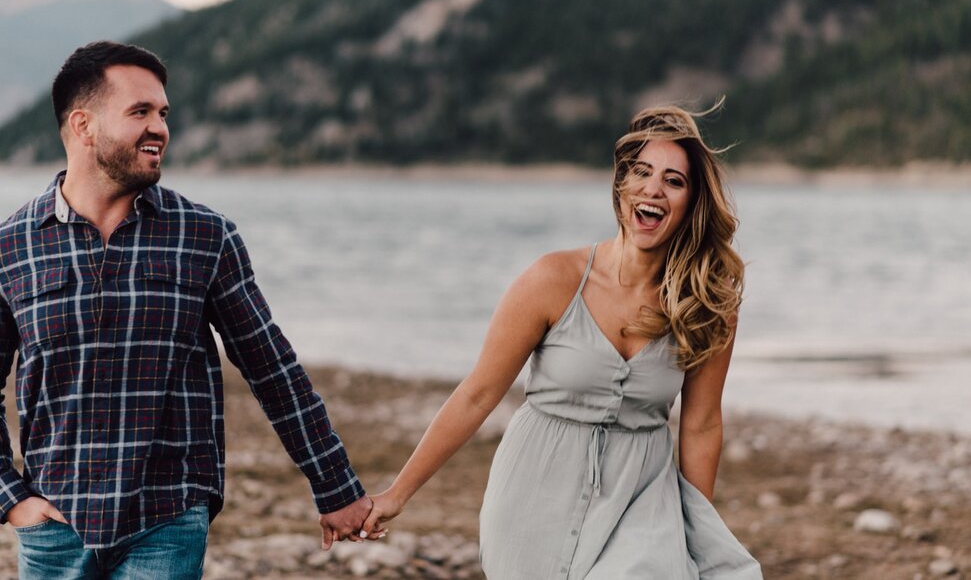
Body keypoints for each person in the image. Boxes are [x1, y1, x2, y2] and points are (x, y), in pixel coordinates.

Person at [0, 41, 371, 579]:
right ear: (83, 126)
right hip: (53, 529)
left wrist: (335, 487)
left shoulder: (203, 236)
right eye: (140, 112)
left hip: (166, 521)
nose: (160, 128)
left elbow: (271, 368)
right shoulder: (12, 247)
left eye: (163, 113)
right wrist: (12, 498)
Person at [360, 104, 763, 578]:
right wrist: (397, 494)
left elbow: (700, 426)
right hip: (534, 490)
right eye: (642, 172)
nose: (653, 188)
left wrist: (696, 531)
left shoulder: (707, 303)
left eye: (674, 181)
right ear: (621, 186)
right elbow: (478, 394)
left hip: (642, 496)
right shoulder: (552, 279)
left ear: (691, 202)